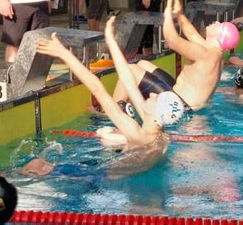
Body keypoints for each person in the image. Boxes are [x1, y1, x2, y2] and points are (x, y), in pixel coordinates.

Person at [36, 16, 185, 177]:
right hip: (121, 175)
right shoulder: (161, 136)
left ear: (157, 115)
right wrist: (111, 41)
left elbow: (98, 89)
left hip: (96, 179)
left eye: (158, 99)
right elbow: (128, 81)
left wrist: (64, 54)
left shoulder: (136, 132)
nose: (154, 94)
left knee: (35, 166)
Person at [113, 0, 240, 111]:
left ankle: (115, 113)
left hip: (178, 107)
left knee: (129, 69)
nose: (216, 22)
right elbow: (191, 33)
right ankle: (131, 105)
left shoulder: (206, 54)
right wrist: (179, 14)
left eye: (219, 25)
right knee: (143, 63)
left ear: (220, 37)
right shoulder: (214, 52)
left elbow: (172, 41)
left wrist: (167, 15)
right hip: (179, 97)